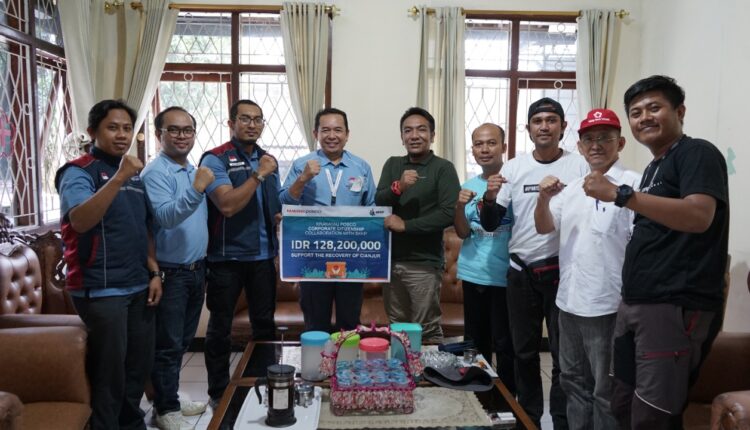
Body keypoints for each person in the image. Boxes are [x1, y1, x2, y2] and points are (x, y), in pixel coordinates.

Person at [582, 75, 729, 429]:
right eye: (636, 112)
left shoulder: (697, 153)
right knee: (622, 402)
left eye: (654, 108)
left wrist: (621, 194)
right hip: (636, 302)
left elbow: (699, 215)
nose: (644, 117)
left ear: (680, 111)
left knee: (654, 413)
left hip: (673, 303)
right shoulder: (654, 167)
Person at [479, 97, 589, 429]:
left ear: (563, 127)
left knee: (563, 357)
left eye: (551, 120)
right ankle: (529, 419)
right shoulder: (513, 168)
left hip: (563, 272)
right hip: (521, 273)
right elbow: (491, 223)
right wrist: (488, 197)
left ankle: (561, 421)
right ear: (528, 129)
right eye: (538, 121)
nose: (544, 126)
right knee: (523, 353)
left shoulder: (579, 166)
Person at [55, 99, 162, 430]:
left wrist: (154, 272)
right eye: (112, 127)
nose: (122, 135)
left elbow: (142, 228)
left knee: (136, 368)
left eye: (127, 128)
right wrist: (118, 178)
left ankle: (132, 425)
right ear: (93, 131)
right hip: (101, 289)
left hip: (138, 285)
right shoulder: (78, 171)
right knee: (109, 374)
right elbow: (79, 220)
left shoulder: (133, 174)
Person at [534, 109, 640, 430]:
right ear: (579, 147)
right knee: (572, 383)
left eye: (605, 138)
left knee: (605, 391)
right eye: (589, 139)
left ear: (620, 143)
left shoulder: (633, 185)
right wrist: (542, 199)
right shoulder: (572, 188)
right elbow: (544, 227)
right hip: (568, 302)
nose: (596, 145)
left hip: (608, 305)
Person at [199, 99, 282, 407]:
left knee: (264, 325)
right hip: (226, 259)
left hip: (263, 258)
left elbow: (274, 206)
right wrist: (258, 175)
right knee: (220, 328)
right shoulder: (215, 159)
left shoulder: (267, 159)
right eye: (245, 119)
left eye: (258, 119)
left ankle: (261, 383)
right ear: (231, 123)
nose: (252, 125)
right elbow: (228, 205)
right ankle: (219, 392)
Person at [141, 107, 215, 429]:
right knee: (168, 346)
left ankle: (169, 396)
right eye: (173, 129)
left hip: (196, 270)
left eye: (187, 130)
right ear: (160, 134)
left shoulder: (190, 170)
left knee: (182, 342)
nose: (182, 136)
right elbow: (166, 217)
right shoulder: (155, 173)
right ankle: (165, 409)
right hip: (171, 273)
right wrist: (198, 188)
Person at [280, 107, 376, 332]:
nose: (332, 136)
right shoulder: (301, 165)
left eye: (338, 130)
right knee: (315, 324)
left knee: (349, 324)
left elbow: (371, 207)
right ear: (316, 134)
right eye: (325, 130)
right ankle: (316, 357)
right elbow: (284, 203)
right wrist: (303, 178)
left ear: (347, 134)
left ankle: (346, 357)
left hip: (351, 257)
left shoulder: (361, 167)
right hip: (312, 256)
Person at [374, 107, 461, 343]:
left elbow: (448, 213)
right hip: (391, 262)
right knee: (397, 328)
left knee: (426, 329)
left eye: (421, 130)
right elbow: (379, 201)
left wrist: (406, 225)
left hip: (424, 263)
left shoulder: (443, 168)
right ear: (402, 137)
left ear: (432, 135)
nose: (414, 135)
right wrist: (399, 187)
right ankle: (401, 368)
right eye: (408, 130)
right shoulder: (393, 164)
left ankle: (430, 368)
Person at [454, 123, 515, 394]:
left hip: (507, 277)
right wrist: (459, 206)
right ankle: (478, 400)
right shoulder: (468, 186)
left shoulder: (514, 181)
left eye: (491, 143)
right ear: (473, 150)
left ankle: (508, 401)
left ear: (504, 147)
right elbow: (462, 232)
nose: (485, 149)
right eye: (479, 144)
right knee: (475, 344)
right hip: (474, 273)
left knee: (506, 345)